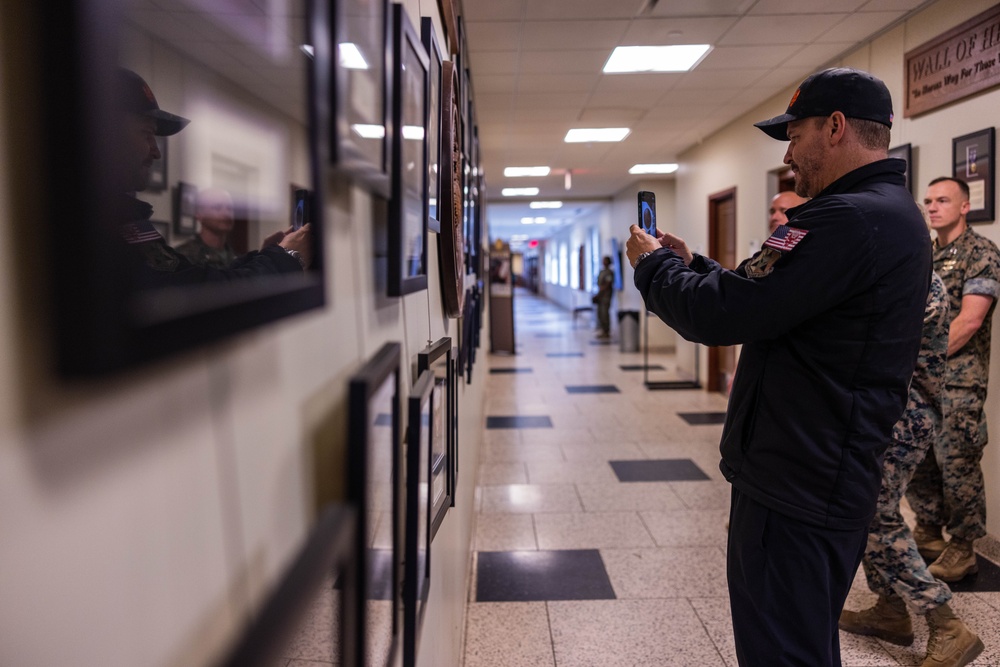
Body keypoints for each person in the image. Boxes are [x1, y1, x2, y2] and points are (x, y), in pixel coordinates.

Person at [626, 67, 931, 666]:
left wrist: (653, 268)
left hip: (799, 481)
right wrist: (697, 265)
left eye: (795, 136)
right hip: (818, 471)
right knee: (802, 647)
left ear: (836, 127)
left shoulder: (846, 218)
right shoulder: (883, 213)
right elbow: (771, 299)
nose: (789, 154)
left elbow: (720, 319)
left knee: (782, 654)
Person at [839, 271, 984, 667]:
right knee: (867, 511)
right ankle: (890, 608)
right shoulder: (893, 271)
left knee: (874, 515)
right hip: (883, 415)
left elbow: (877, 346)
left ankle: (947, 623)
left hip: (903, 417)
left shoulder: (918, 279)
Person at [113, 68, 313, 286]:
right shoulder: (111, 225)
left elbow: (200, 282)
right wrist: (286, 257)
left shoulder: (119, 218)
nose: (156, 151)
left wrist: (265, 256)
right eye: (146, 134)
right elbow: (196, 293)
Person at [906, 176, 1000, 582]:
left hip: (959, 382)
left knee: (957, 463)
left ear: (964, 206)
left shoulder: (982, 253)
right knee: (919, 459)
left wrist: (925, 357)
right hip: (918, 381)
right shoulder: (924, 253)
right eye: (928, 200)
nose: (932, 207)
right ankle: (927, 529)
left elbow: (970, 320)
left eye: (942, 200)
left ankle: (963, 545)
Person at [175, 187, 238, 269]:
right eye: (217, 208)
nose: (226, 213)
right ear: (199, 214)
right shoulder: (181, 258)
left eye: (230, 208)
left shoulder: (237, 260)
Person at [594, 256, 614, 339]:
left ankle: (606, 331)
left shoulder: (609, 272)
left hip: (605, 296)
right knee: (600, 314)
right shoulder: (602, 271)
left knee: (604, 313)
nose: (603, 262)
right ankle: (602, 330)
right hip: (600, 297)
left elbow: (607, 284)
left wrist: (600, 293)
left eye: (605, 261)